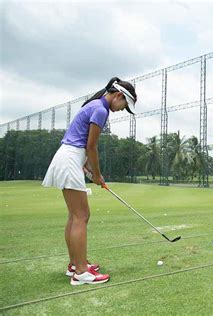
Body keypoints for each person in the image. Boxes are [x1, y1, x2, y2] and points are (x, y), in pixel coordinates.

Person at [42, 77, 137, 285]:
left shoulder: (95, 105)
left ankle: (76, 264)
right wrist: (97, 174)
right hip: (69, 159)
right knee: (81, 216)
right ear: (119, 96)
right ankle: (82, 273)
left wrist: (85, 167)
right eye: (124, 105)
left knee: (74, 216)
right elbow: (91, 147)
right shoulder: (101, 110)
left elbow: (81, 142)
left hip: (70, 158)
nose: (122, 110)